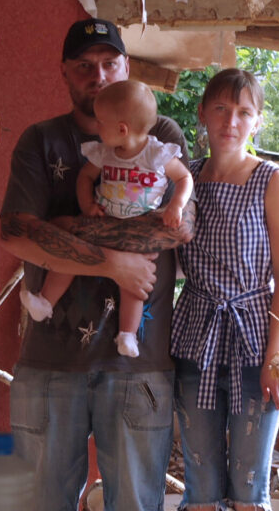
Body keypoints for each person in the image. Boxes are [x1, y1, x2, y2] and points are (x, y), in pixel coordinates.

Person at [0, 18, 194, 511]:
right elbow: (17, 234)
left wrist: (69, 229)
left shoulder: (160, 135)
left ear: (127, 65)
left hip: (138, 364)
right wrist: (112, 264)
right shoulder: (40, 141)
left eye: (110, 63)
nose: (99, 75)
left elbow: (179, 226)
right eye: (85, 66)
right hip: (49, 363)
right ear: (65, 72)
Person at [170, 68, 279, 511]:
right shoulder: (183, 179)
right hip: (195, 338)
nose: (231, 121)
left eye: (244, 112)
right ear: (203, 114)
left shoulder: (271, 181)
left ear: (257, 122)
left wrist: (277, 358)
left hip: (256, 339)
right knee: (201, 485)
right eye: (221, 109)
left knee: (249, 487)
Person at [19, 79, 194, 359]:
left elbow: (185, 178)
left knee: (135, 283)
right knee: (73, 258)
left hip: (139, 227)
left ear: (121, 129)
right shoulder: (105, 152)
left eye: (101, 122)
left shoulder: (157, 152)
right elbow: (85, 177)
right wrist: (88, 205)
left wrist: (176, 205)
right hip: (103, 222)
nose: (96, 127)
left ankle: (127, 334)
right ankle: (44, 302)